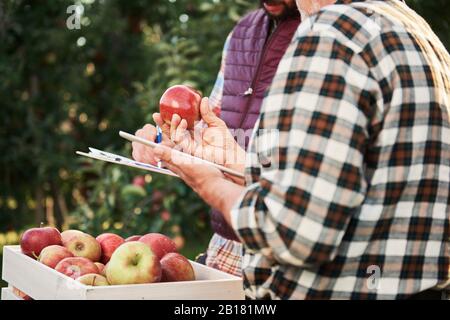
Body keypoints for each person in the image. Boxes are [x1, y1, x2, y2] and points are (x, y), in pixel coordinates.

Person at [147, 0, 450, 299]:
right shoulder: (417, 31)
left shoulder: (332, 34)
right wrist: (238, 164)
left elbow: (293, 233)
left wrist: (208, 182)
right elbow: (345, 187)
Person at [132, 1, 301, 277]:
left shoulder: (322, 40)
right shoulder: (241, 35)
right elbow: (209, 128)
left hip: (283, 254)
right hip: (225, 250)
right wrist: (165, 141)